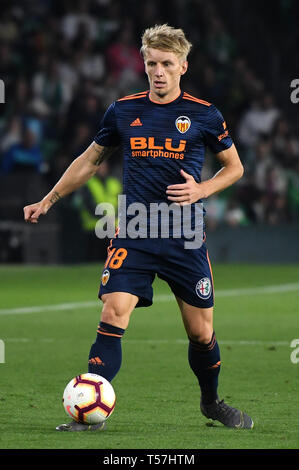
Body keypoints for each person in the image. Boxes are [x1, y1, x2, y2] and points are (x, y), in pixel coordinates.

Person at [23, 24, 253, 431]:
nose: (158, 71)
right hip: (134, 229)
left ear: (183, 65)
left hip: (184, 236)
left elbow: (234, 168)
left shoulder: (204, 114)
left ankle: (211, 402)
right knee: (113, 311)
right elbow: (89, 161)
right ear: (144, 65)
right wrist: (49, 199)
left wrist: (202, 189)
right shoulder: (123, 110)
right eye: (151, 64)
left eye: (167, 64)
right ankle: (89, 412)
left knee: (201, 334)